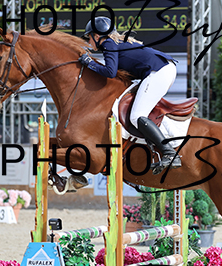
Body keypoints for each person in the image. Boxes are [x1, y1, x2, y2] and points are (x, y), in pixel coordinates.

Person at [78, 16, 182, 173]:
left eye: (89, 37)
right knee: (139, 110)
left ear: (97, 36)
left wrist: (89, 62)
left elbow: (110, 72)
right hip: (163, 69)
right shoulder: (116, 42)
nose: (89, 42)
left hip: (159, 71)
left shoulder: (108, 43)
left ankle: (169, 153)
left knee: (136, 116)